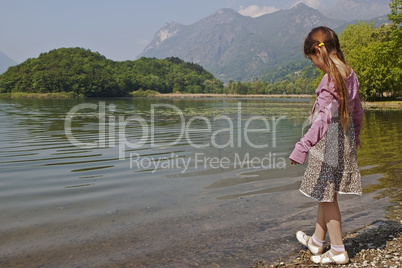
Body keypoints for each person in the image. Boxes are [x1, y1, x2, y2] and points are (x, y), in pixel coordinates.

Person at [289, 26, 364, 265]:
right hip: (344, 140)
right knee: (325, 191)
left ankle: (338, 250)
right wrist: (357, 136)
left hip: (328, 143)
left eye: (313, 61)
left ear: (318, 52)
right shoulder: (350, 74)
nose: (316, 65)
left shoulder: (330, 80)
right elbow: (359, 111)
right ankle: (317, 241)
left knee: (328, 196)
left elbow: (323, 121)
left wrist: (302, 146)